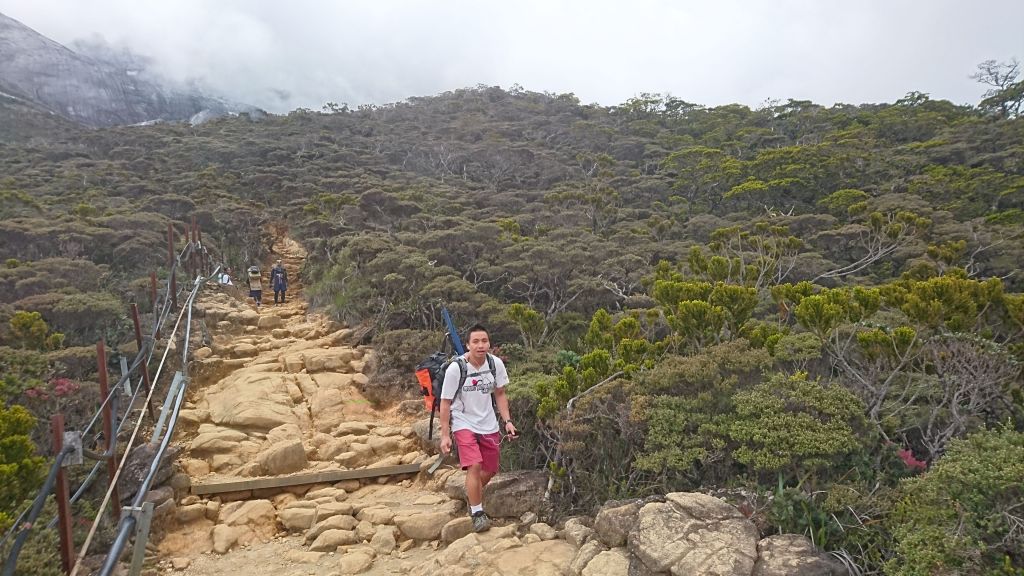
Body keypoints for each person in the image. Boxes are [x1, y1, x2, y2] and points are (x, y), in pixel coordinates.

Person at [438, 324, 517, 533]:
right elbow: (445, 403)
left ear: (489, 343)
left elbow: (500, 394)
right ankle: (477, 513)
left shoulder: (495, 364)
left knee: (489, 470)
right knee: (474, 465)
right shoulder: (457, 368)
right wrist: (445, 434)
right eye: (475, 341)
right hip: (462, 420)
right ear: (468, 345)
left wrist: (507, 421)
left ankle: (472, 493)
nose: (480, 345)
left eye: (484, 341)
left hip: (488, 422)